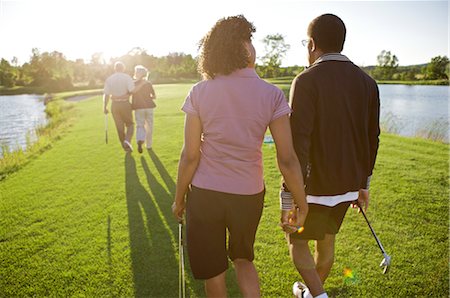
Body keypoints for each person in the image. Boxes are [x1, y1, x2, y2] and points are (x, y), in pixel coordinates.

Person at [171, 15, 308, 297]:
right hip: (248, 194)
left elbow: (190, 156)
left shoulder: (200, 91)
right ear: (241, 48)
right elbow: (287, 159)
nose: (253, 48)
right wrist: (301, 202)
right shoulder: (271, 94)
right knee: (243, 259)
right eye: (250, 41)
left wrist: (179, 197)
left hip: (206, 194)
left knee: (214, 272)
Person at [280, 14, 380, 298]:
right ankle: (311, 294)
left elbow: (298, 143)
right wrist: (363, 185)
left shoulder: (306, 80)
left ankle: (318, 296)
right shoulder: (368, 82)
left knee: (296, 244)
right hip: (347, 188)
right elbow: (372, 139)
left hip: (310, 190)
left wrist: (291, 196)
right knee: (326, 245)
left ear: (311, 44)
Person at [103, 61, 144, 152]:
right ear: (123, 68)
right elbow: (132, 91)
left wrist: (104, 106)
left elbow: (106, 94)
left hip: (114, 105)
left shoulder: (109, 79)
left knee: (119, 127)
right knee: (130, 124)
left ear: (115, 68)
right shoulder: (127, 77)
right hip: (125, 104)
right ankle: (127, 141)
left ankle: (125, 148)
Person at [131, 65, 157, 153]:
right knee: (149, 126)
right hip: (149, 107)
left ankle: (140, 140)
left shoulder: (133, 83)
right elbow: (154, 96)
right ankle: (148, 145)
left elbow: (132, 92)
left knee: (140, 125)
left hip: (138, 108)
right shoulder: (148, 83)